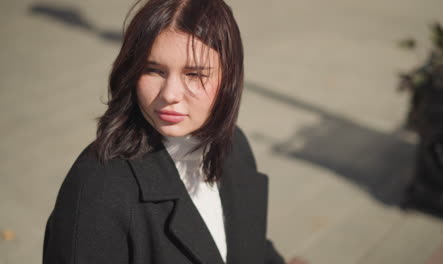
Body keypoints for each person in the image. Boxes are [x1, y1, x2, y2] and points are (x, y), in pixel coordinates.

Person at [42, 0, 297, 263]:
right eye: (153, 70)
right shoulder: (99, 186)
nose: (170, 94)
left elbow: (252, 246)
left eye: (195, 74)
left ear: (229, 78)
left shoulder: (234, 145)